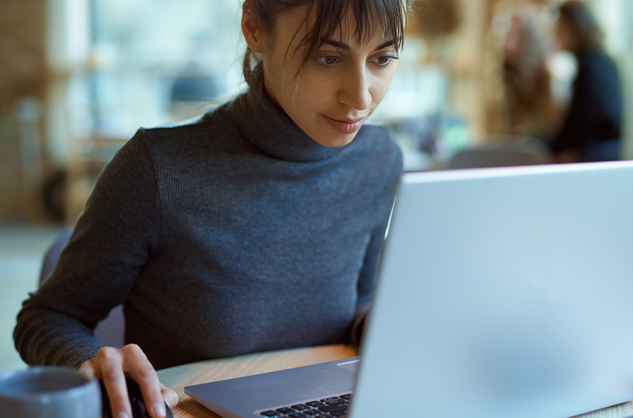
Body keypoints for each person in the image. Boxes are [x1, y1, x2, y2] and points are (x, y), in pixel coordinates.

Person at [14, 1, 411, 417]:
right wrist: (88, 360)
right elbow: (46, 317)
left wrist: (387, 326)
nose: (362, 96)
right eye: (327, 57)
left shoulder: (379, 159)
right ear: (255, 28)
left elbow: (359, 303)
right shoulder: (157, 169)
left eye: (382, 58)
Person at [550, 0, 622, 163]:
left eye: (558, 27)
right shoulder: (597, 62)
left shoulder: (592, 66)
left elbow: (580, 125)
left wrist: (546, 145)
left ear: (573, 27)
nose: (554, 34)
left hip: (595, 161)